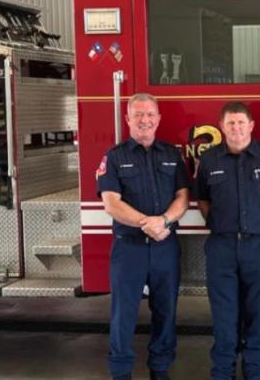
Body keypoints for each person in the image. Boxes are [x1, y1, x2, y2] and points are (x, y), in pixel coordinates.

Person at [194, 102, 260, 380]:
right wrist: (219, 224)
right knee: (224, 317)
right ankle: (223, 372)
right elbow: (202, 199)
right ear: (222, 127)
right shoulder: (209, 160)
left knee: (259, 316)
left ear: (251, 126)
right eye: (230, 123)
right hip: (222, 246)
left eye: (240, 123)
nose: (236, 128)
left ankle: (255, 371)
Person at [97, 93, 190, 380]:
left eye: (150, 114)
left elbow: (183, 197)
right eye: (138, 114)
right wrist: (145, 223)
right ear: (127, 119)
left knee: (166, 312)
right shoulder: (114, 157)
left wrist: (162, 220)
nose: (145, 120)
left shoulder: (172, 155)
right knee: (123, 314)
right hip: (130, 249)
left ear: (159, 119)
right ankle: (121, 372)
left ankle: (160, 370)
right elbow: (111, 202)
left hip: (165, 247)